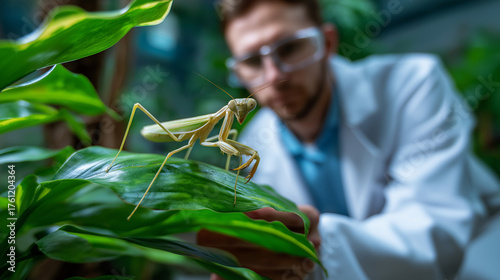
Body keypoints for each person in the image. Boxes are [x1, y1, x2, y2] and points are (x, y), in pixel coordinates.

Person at [197, 0, 500, 279]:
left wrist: (316, 243)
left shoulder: (414, 85)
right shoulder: (253, 142)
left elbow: (436, 232)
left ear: (327, 43)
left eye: (289, 48)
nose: (273, 75)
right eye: (252, 61)